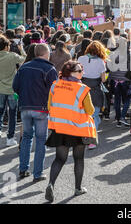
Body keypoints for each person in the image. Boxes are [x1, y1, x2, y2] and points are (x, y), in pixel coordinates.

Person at [44, 61, 97, 202]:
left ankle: (51, 184)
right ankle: (78, 188)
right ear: (71, 73)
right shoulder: (82, 89)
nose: (82, 73)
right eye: (79, 71)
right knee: (78, 158)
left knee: (59, 159)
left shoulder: (55, 85)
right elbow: (90, 110)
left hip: (60, 128)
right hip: (77, 129)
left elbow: (49, 105)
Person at [13, 43, 58, 181]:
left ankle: (23, 169)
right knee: (40, 140)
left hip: (25, 107)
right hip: (42, 109)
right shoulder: (50, 69)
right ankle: (37, 173)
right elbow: (54, 91)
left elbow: (15, 87)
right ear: (46, 53)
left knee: (26, 137)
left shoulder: (24, 67)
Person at [0, 36, 26, 147]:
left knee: (0, 110)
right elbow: (24, 58)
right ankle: (10, 138)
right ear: (6, 46)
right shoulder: (12, 56)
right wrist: (21, 49)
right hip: (12, 89)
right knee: (12, 113)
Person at [78, 41, 107, 148]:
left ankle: (84, 135)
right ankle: (91, 140)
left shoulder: (80, 59)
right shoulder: (101, 62)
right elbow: (103, 79)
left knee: (83, 114)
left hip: (82, 89)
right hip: (95, 90)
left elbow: (77, 75)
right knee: (94, 115)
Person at [108, 37, 131, 127]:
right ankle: (122, 116)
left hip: (115, 80)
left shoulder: (112, 54)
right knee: (127, 99)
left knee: (117, 100)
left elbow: (109, 67)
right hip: (125, 80)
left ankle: (118, 119)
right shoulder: (129, 54)